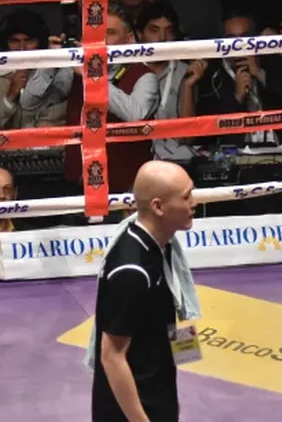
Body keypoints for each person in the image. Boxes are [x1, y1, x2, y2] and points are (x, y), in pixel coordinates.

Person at [89, 160, 198, 422]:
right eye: (186, 196)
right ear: (158, 207)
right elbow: (112, 357)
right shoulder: (132, 272)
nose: (194, 202)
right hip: (132, 409)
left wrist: (183, 357)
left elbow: (164, 310)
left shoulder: (163, 244)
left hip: (157, 390)